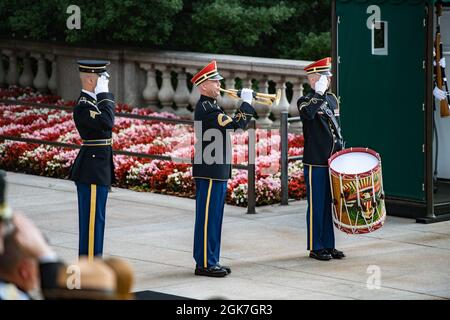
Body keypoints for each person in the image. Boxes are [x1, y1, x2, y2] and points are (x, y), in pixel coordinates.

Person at [191, 60, 256, 277]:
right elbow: (236, 126)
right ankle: (205, 263)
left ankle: (212, 259)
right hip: (210, 171)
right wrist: (246, 104)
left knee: (215, 217)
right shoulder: (207, 109)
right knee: (208, 217)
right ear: (203, 86)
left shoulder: (212, 106)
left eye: (219, 81)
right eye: (215, 82)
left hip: (215, 169)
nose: (219, 85)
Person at [297, 57, 346, 261]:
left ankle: (328, 244)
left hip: (332, 160)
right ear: (313, 79)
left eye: (328, 76)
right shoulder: (305, 101)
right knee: (316, 205)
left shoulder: (332, 99)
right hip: (315, 160)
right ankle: (315, 246)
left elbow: (336, 128)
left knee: (329, 204)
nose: (328, 80)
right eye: (324, 76)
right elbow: (308, 114)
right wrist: (317, 93)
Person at [69, 60, 115, 261]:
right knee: (91, 224)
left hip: (98, 167)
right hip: (92, 170)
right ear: (90, 79)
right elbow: (107, 121)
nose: (104, 84)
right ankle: (88, 269)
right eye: (101, 79)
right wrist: (104, 95)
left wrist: (103, 96)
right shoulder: (83, 106)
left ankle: (93, 265)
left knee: (97, 222)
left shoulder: (93, 103)